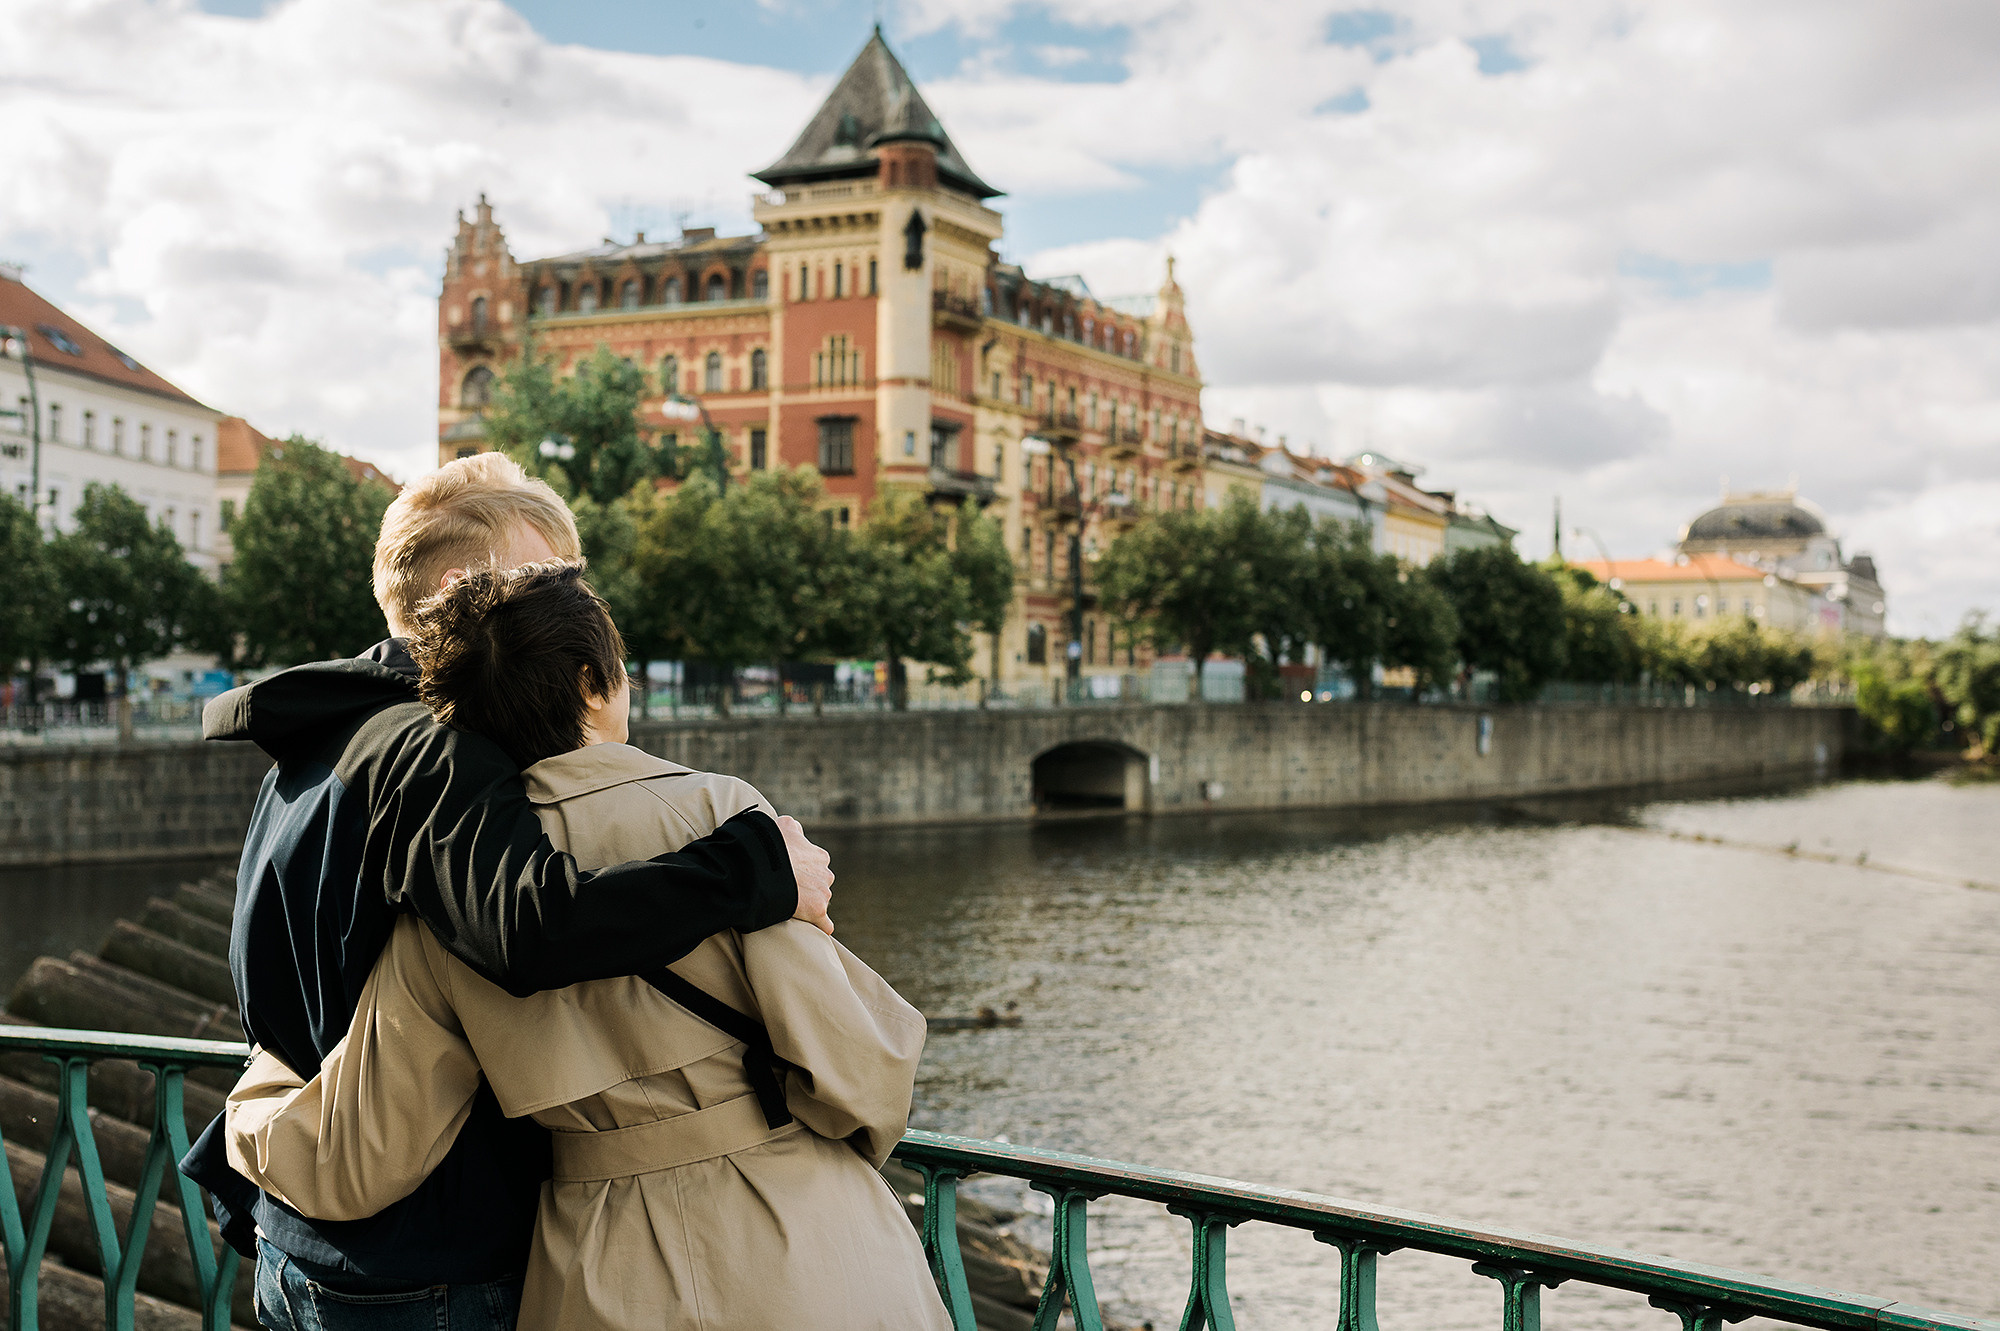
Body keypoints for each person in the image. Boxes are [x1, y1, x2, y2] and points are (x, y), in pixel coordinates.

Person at [181, 455, 836, 1331]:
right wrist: (756, 866)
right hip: (425, 1255)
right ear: (464, 587)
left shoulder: (317, 737)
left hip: (307, 1234)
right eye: (554, 578)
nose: (578, 607)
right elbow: (534, 926)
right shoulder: (432, 744)